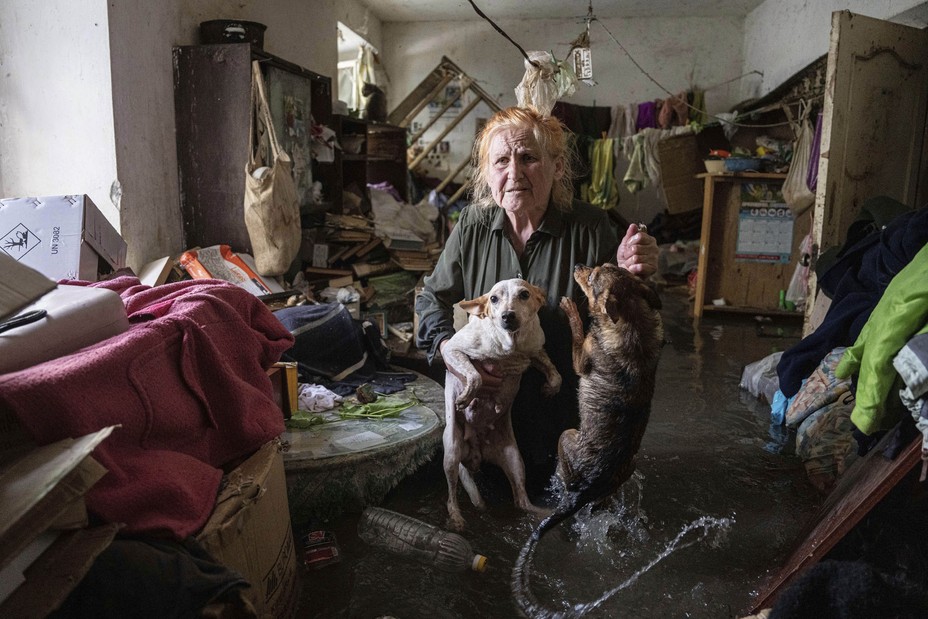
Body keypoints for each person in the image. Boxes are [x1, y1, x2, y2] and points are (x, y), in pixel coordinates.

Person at [415, 105, 659, 494]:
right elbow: (431, 298)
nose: (514, 173)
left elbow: (632, 315)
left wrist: (635, 271)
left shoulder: (590, 227)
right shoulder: (472, 227)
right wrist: (446, 350)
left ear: (557, 167)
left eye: (528, 158)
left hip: (563, 421)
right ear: (486, 172)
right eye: (500, 161)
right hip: (487, 415)